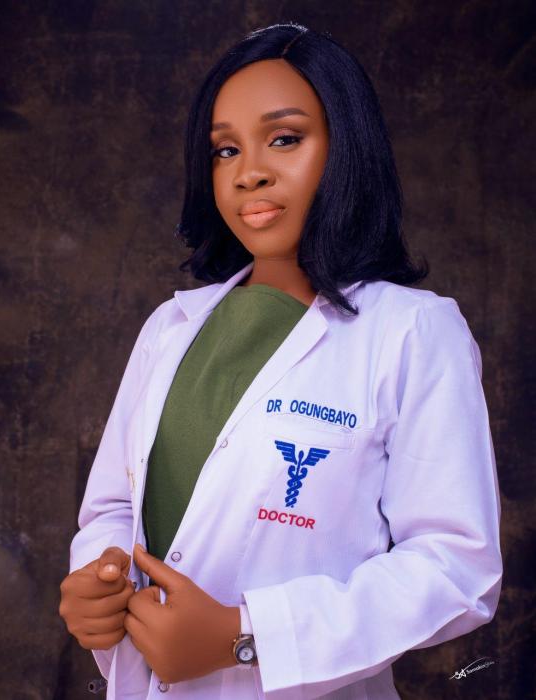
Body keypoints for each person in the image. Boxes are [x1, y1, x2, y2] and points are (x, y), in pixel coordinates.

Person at [59, 22, 503, 700]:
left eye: (285, 138)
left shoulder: (413, 331)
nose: (250, 172)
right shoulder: (171, 329)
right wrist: (100, 577)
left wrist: (246, 637)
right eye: (225, 149)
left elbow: (455, 568)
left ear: (346, 147)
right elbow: (115, 506)